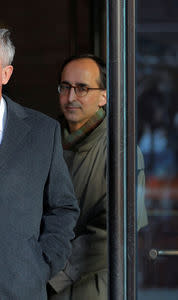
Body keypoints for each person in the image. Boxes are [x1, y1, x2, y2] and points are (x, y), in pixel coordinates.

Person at [0, 24, 80, 299]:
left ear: (6, 74)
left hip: (22, 291)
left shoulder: (43, 132)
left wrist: (40, 265)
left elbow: (63, 208)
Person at [48, 54, 148, 299]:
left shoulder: (121, 152)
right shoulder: (44, 141)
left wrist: (51, 274)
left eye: (82, 88)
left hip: (92, 291)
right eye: (65, 87)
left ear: (104, 96)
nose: (71, 97)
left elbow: (116, 232)